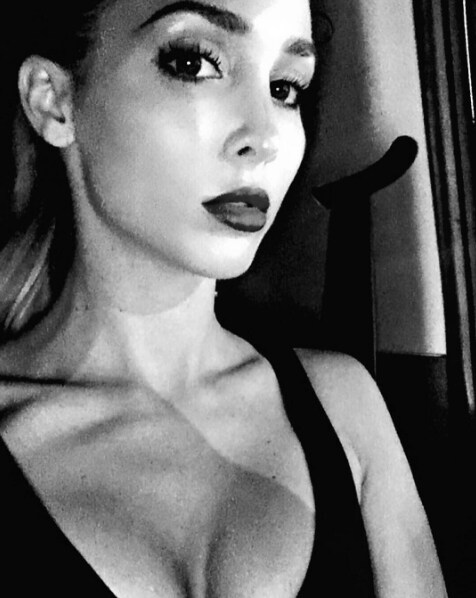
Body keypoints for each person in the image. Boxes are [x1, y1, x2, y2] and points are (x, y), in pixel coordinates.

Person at [0, 0, 447, 596]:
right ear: (53, 100)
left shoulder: (346, 408)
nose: (265, 138)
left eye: (285, 88)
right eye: (194, 62)